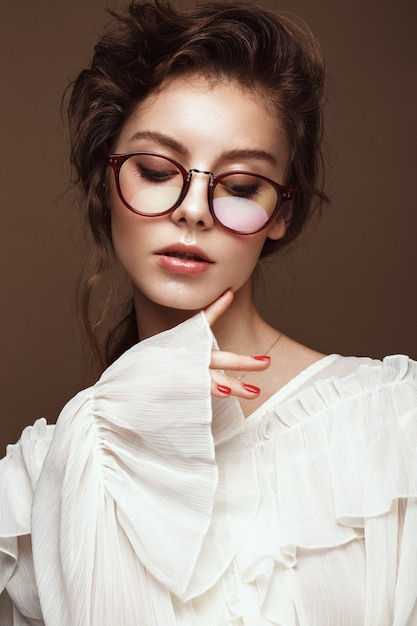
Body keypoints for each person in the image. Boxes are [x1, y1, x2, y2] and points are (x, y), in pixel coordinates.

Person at [0, 1, 416, 624]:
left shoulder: (389, 425)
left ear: (280, 214)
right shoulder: (35, 479)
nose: (194, 209)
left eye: (241, 185)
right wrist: (107, 424)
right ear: (105, 182)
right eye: (156, 169)